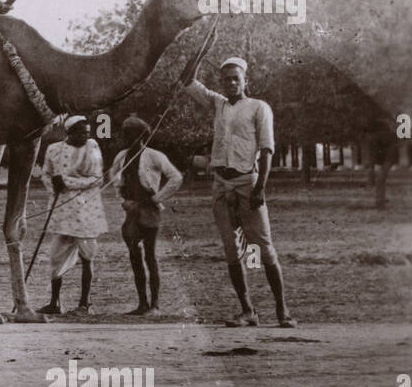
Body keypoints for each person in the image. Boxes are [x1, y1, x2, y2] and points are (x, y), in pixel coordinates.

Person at [181, 54, 297, 328]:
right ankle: (248, 311)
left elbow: (267, 149)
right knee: (232, 250)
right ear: (221, 83)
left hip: (248, 182)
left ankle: (282, 311)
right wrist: (201, 50)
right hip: (221, 184)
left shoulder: (259, 107)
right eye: (226, 80)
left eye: (236, 78)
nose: (231, 83)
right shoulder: (218, 104)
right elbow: (187, 80)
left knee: (264, 249)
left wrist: (260, 187)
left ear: (246, 80)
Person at [107, 116, 182, 315]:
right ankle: (142, 303)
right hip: (132, 210)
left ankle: (154, 305)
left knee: (150, 256)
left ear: (141, 135)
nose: (125, 137)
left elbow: (176, 177)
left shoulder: (155, 156)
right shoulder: (122, 156)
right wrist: (122, 198)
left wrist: (157, 198)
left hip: (150, 210)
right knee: (134, 255)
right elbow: (113, 176)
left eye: (130, 133)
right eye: (124, 133)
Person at [38, 115, 107, 316]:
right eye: (81, 132)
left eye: (88, 132)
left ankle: (85, 304)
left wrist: (67, 182)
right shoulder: (53, 149)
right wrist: (54, 185)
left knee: (87, 256)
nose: (86, 136)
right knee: (56, 256)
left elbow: (97, 178)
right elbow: (46, 174)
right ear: (70, 132)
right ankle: (55, 302)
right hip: (61, 211)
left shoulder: (92, 147)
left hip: (87, 210)